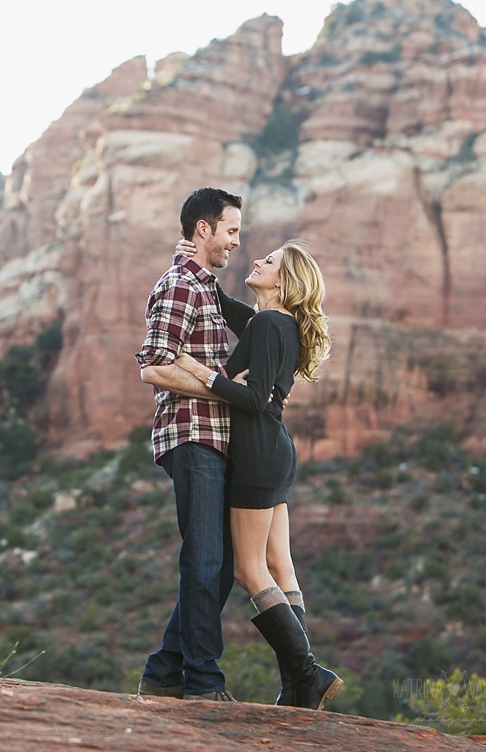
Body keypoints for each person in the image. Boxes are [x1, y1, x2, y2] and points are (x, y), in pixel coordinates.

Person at [171, 235, 342, 710]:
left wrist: (201, 373)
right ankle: (297, 687)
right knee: (280, 566)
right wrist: (198, 268)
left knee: (249, 569)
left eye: (269, 261)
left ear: (284, 282)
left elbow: (253, 398)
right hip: (275, 451)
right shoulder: (273, 322)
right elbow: (228, 311)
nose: (257, 261)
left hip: (257, 452)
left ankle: (307, 674)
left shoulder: (269, 322)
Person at [134, 187, 249, 702]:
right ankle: (201, 683)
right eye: (230, 230)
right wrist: (218, 386)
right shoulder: (181, 284)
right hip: (192, 435)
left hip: (215, 439)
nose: (235, 242)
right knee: (204, 561)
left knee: (220, 564)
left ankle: (164, 671)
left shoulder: (203, 287)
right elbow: (154, 366)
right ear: (203, 229)